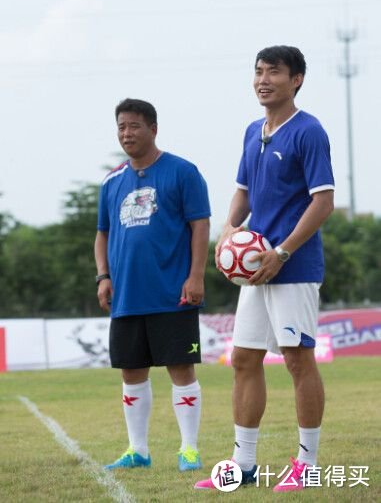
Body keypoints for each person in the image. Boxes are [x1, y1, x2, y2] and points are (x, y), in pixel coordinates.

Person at [195, 45, 334, 492]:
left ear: (296, 80)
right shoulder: (253, 131)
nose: (263, 80)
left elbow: (323, 201)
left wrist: (284, 253)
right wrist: (229, 230)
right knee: (243, 359)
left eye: (273, 72)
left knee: (297, 360)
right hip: (255, 266)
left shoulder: (309, 131)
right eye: (257, 72)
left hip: (292, 266)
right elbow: (243, 192)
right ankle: (243, 464)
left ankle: (308, 465)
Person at [95, 98, 211, 472]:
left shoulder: (182, 172)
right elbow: (102, 234)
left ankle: (189, 449)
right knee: (132, 372)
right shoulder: (112, 181)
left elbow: (200, 225)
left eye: (134, 126)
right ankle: (138, 450)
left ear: (153, 129)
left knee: (181, 369)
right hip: (127, 295)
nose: (127, 133)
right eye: (121, 127)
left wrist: (195, 276)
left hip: (172, 293)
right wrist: (103, 276)